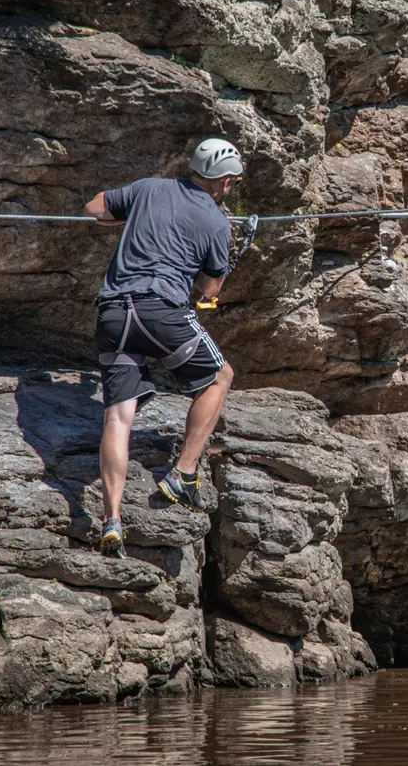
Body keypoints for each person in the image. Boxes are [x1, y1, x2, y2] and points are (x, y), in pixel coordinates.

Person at [85, 138, 243, 557]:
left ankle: (112, 519)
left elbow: (95, 209)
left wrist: (133, 219)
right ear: (224, 182)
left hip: (114, 312)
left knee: (119, 416)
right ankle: (184, 473)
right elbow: (209, 289)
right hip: (161, 311)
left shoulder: (149, 188)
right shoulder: (216, 222)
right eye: (231, 183)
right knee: (219, 377)